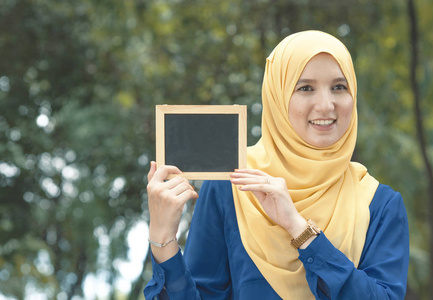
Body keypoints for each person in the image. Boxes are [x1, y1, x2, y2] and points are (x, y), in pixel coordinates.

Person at [144, 30, 409, 300]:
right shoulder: (232, 186)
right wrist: (162, 237)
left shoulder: (378, 203)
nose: (326, 105)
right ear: (277, 97)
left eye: (339, 87)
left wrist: (299, 229)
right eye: (305, 88)